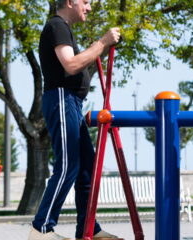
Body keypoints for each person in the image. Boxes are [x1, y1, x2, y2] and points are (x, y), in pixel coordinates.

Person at [28, 0, 121, 239]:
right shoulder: (56, 26)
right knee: (68, 164)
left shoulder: (64, 29)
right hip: (61, 98)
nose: (89, 8)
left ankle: (88, 229)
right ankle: (41, 228)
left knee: (86, 169)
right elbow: (71, 65)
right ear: (70, 2)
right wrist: (102, 43)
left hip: (72, 103)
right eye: (86, 2)